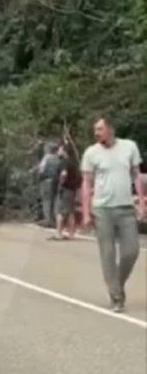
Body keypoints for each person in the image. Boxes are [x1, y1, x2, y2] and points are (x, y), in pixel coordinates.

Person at [81, 117, 145, 313]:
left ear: (110, 129)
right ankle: (116, 296)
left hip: (126, 208)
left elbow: (137, 175)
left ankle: (116, 282)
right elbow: (86, 183)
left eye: (100, 129)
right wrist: (86, 212)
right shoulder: (91, 153)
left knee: (131, 251)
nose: (96, 133)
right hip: (102, 209)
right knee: (107, 254)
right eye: (95, 130)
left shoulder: (129, 147)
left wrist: (141, 202)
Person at [50, 144, 82, 241]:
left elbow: (64, 174)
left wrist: (60, 184)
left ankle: (58, 233)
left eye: (60, 150)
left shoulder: (64, 162)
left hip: (65, 189)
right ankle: (71, 233)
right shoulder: (74, 163)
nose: (58, 152)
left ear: (65, 152)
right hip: (73, 189)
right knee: (70, 211)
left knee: (60, 211)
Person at [38, 142, 63, 228]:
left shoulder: (46, 158)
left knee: (46, 200)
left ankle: (47, 220)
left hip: (46, 180)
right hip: (56, 181)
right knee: (54, 200)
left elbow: (41, 169)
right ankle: (54, 220)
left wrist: (40, 177)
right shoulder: (58, 159)